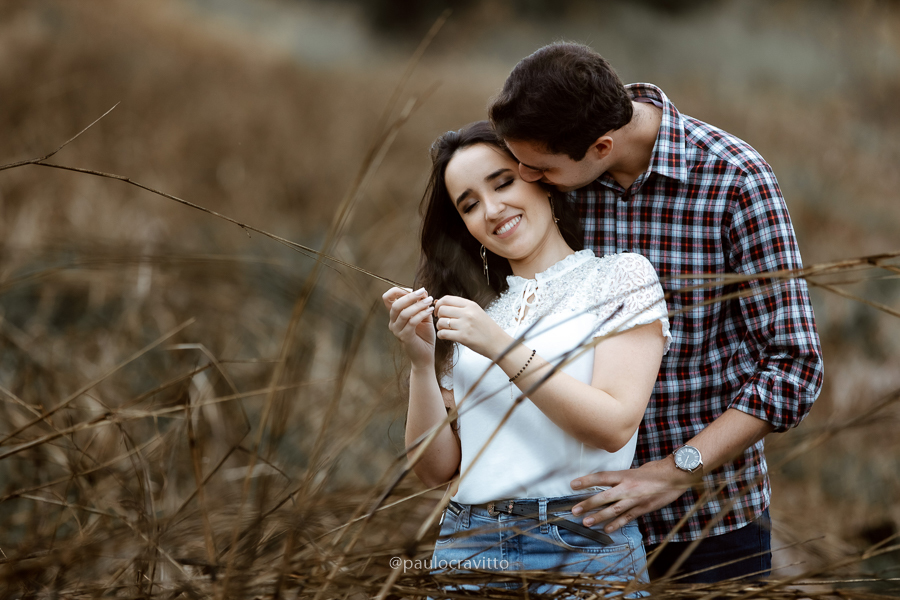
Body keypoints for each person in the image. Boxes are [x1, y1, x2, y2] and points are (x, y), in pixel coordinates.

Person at [488, 41, 825, 583]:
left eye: (538, 166)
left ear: (601, 146)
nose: (523, 177)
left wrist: (674, 472)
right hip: (564, 522)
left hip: (707, 525)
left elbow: (795, 367)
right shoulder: (549, 186)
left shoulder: (736, 180)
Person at [382, 120, 672, 594]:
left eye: (503, 183)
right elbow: (436, 471)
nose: (492, 210)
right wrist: (420, 362)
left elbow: (614, 424)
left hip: (580, 545)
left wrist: (499, 346)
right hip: (467, 545)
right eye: (470, 205)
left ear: (542, 180)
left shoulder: (619, 277)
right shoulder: (478, 311)